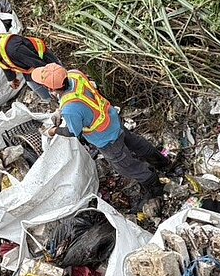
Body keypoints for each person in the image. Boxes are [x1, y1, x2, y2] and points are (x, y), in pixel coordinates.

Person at [32, 64, 171, 206]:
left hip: (106, 139)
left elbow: (74, 132)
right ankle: (163, 163)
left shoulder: (70, 109)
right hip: (112, 118)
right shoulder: (74, 74)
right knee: (135, 143)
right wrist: (60, 109)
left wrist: (54, 130)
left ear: (51, 89)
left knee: (127, 166)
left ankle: (155, 187)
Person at [0, 34, 62, 101]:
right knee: (34, 85)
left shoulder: (14, 50)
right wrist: (11, 79)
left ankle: (62, 97)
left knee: (58, 83)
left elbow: (40, 65)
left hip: (42, 61)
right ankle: (50, 101)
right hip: (27, 66)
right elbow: (3, 63)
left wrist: (51, 85)